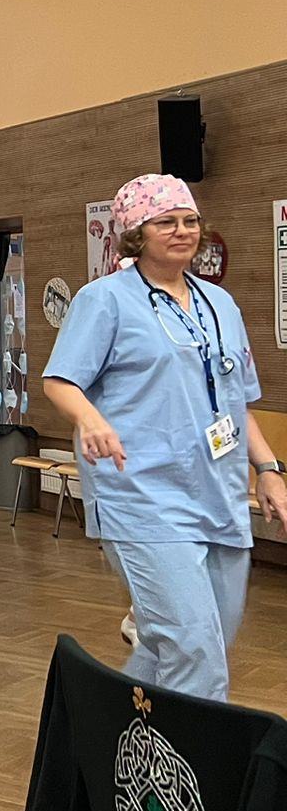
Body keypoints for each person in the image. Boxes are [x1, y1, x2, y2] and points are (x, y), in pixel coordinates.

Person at [43, 173, 285, 702]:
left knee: (193, 644)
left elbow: (237, 401)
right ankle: (197, 754)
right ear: (136, 234)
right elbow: (60, 380)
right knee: (195, 653)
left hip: (218, 495)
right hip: (142, 495)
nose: (183, 231)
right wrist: (91, 419)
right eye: (166, 222)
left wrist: (268, 469)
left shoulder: (221, 305)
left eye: (190, 220)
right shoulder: (104, 300)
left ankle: (114, 733)